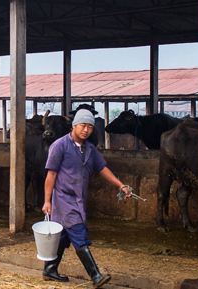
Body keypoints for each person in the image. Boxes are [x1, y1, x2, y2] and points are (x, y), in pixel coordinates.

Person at [41, 109, 132, 288]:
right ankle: (96, 275)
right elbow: (50, 175)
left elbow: (102, 169)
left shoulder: (89, 149)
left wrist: (120, 184)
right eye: (83, 125)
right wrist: (47, 201)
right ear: (74, 125)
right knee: (79, 233)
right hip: (63, 199)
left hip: (78, 199)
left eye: (90, 127)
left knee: (63, 237)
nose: (86, 130)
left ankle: (49, 270)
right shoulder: (59, 145)